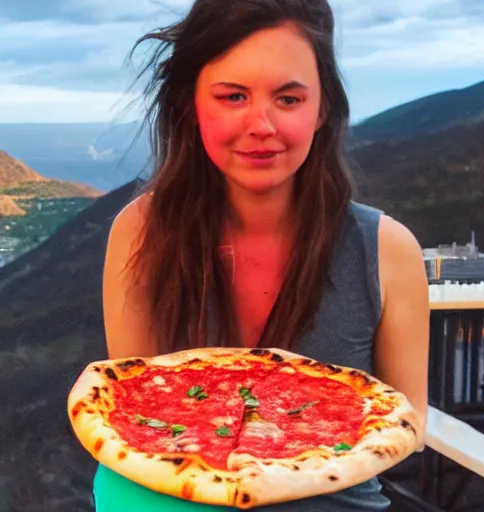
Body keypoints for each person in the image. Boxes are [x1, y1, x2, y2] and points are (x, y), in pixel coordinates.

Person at [101, 0, 430, 510]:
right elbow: (133, 413)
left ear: (322, 108)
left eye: (289, 99)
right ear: (192, 104)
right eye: (233, 96)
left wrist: (294, 450)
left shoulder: (388, 249)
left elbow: (407, 424)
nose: (262, 124)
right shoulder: (140, 233)